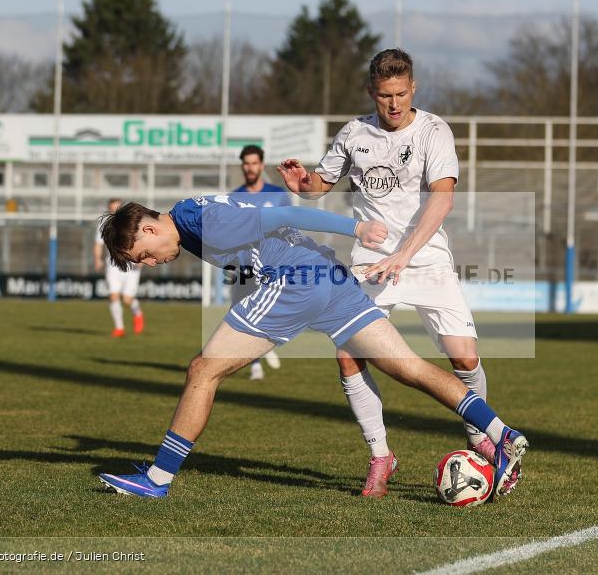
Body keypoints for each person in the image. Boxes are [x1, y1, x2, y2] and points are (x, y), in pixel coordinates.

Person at [96, 195, 528, 499]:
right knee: (411, 368)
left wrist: (355, 227)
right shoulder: (193, 217)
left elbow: (284, 214)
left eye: (144, 255)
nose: (150, 264)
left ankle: (157, 478)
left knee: (202, 371)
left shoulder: (199, 220)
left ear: (150, 227)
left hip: (293, 285)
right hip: (330, 279)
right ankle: (501, 433)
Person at [277, 48, 524, 497]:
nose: (393, 104)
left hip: (425, 258)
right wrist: (304, 186)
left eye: (401, 94)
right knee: (349, 354)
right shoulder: (354, 133)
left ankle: (477, 436)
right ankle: (379, 456)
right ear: (372, 92)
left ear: (413, 88)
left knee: (464, 358)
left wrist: (404, 256)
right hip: (370, 263)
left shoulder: (433, 131)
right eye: (384, 96)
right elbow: (321, 185)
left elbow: (442, 199)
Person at [227, 144, 290, 380]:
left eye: (254, 163)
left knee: (275, 312)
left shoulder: (277, 194)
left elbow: (288, 227)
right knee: (242, 312)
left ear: (261, 165)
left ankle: (268, 344)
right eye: (246, 163)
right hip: (245, 266)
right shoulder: (234, 197)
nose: (250, 167)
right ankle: (254, 366)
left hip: (272, 264)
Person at [94, 198, 144, 337]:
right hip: (113, 266)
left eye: (117, 208)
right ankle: (119, 328)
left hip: (131, 265)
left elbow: (142, 242)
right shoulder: (104, 224)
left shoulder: (132, 223)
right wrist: (97, 259)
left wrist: (142, 258)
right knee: (114, 296)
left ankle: (137, 313)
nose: (114, 211)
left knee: (127, 300)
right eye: (112, 208)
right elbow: (98, 244)